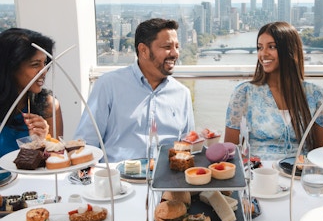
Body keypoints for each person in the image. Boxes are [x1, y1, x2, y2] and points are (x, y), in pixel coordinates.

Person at [74, 18, 195, 162]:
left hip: (165, 179)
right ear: (143, 50)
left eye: (177, 46)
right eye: (167, 47)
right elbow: (85, 144)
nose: (175, 54)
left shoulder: (182, 94)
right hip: (116, 179)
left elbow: (187, 147)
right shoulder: (108, 85)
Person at [224, 21, 323, 160]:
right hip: (258, 174)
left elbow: (322, 154)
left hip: (299, 175)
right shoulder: (244, 93)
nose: (263, 54)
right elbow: (229, 153)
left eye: (272, 47)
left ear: (290, 50)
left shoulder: (316, 95)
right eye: (260, 47)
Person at [0, 28, 64, 158]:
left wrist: (43, 142)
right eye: (35, 65)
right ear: (11, 67)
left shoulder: (49, 106)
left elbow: (55, 163)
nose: (44, 71)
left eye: (45, 63)